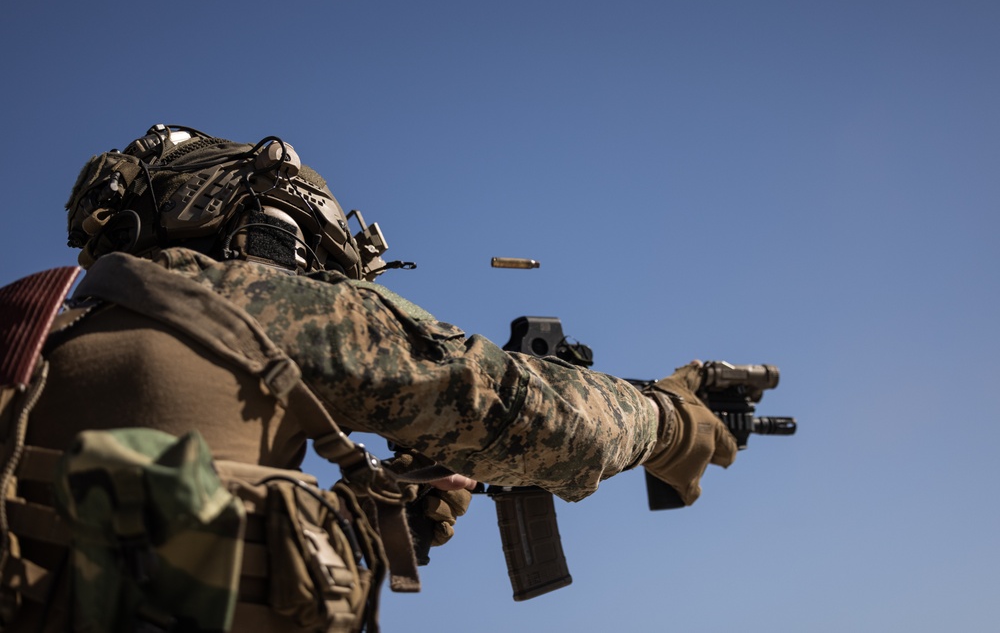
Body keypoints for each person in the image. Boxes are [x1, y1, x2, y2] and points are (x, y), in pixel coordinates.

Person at [0, 125, 736, 633]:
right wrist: (670, 420)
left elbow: (147, 552)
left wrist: (386, 520)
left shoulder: (26, 336)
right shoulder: (252, 303)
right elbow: (548, 420)